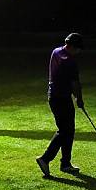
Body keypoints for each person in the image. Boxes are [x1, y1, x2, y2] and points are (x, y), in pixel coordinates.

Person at [36, 33, 85, 177]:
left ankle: (65, 163)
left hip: (53, 97)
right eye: (79, 48)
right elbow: (75, 84)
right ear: (74, 47)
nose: (79, 51)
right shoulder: (70, 62)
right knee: (65, 131)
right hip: (62, 99)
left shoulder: (56, 51)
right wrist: (79, 100)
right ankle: (45, 159)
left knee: (68, 130)